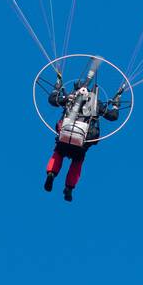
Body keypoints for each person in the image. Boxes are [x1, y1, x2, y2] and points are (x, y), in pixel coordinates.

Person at [44, 73, 123, 201]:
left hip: (65, 135)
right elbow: (113, 116)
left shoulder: (70, 98)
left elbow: (52, 100)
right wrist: (116, 103)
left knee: (58, 153)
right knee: (77, 162)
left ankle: (51, 174)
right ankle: (69, 188)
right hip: (81, 142)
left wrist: (57, 88)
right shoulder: (96, 104)